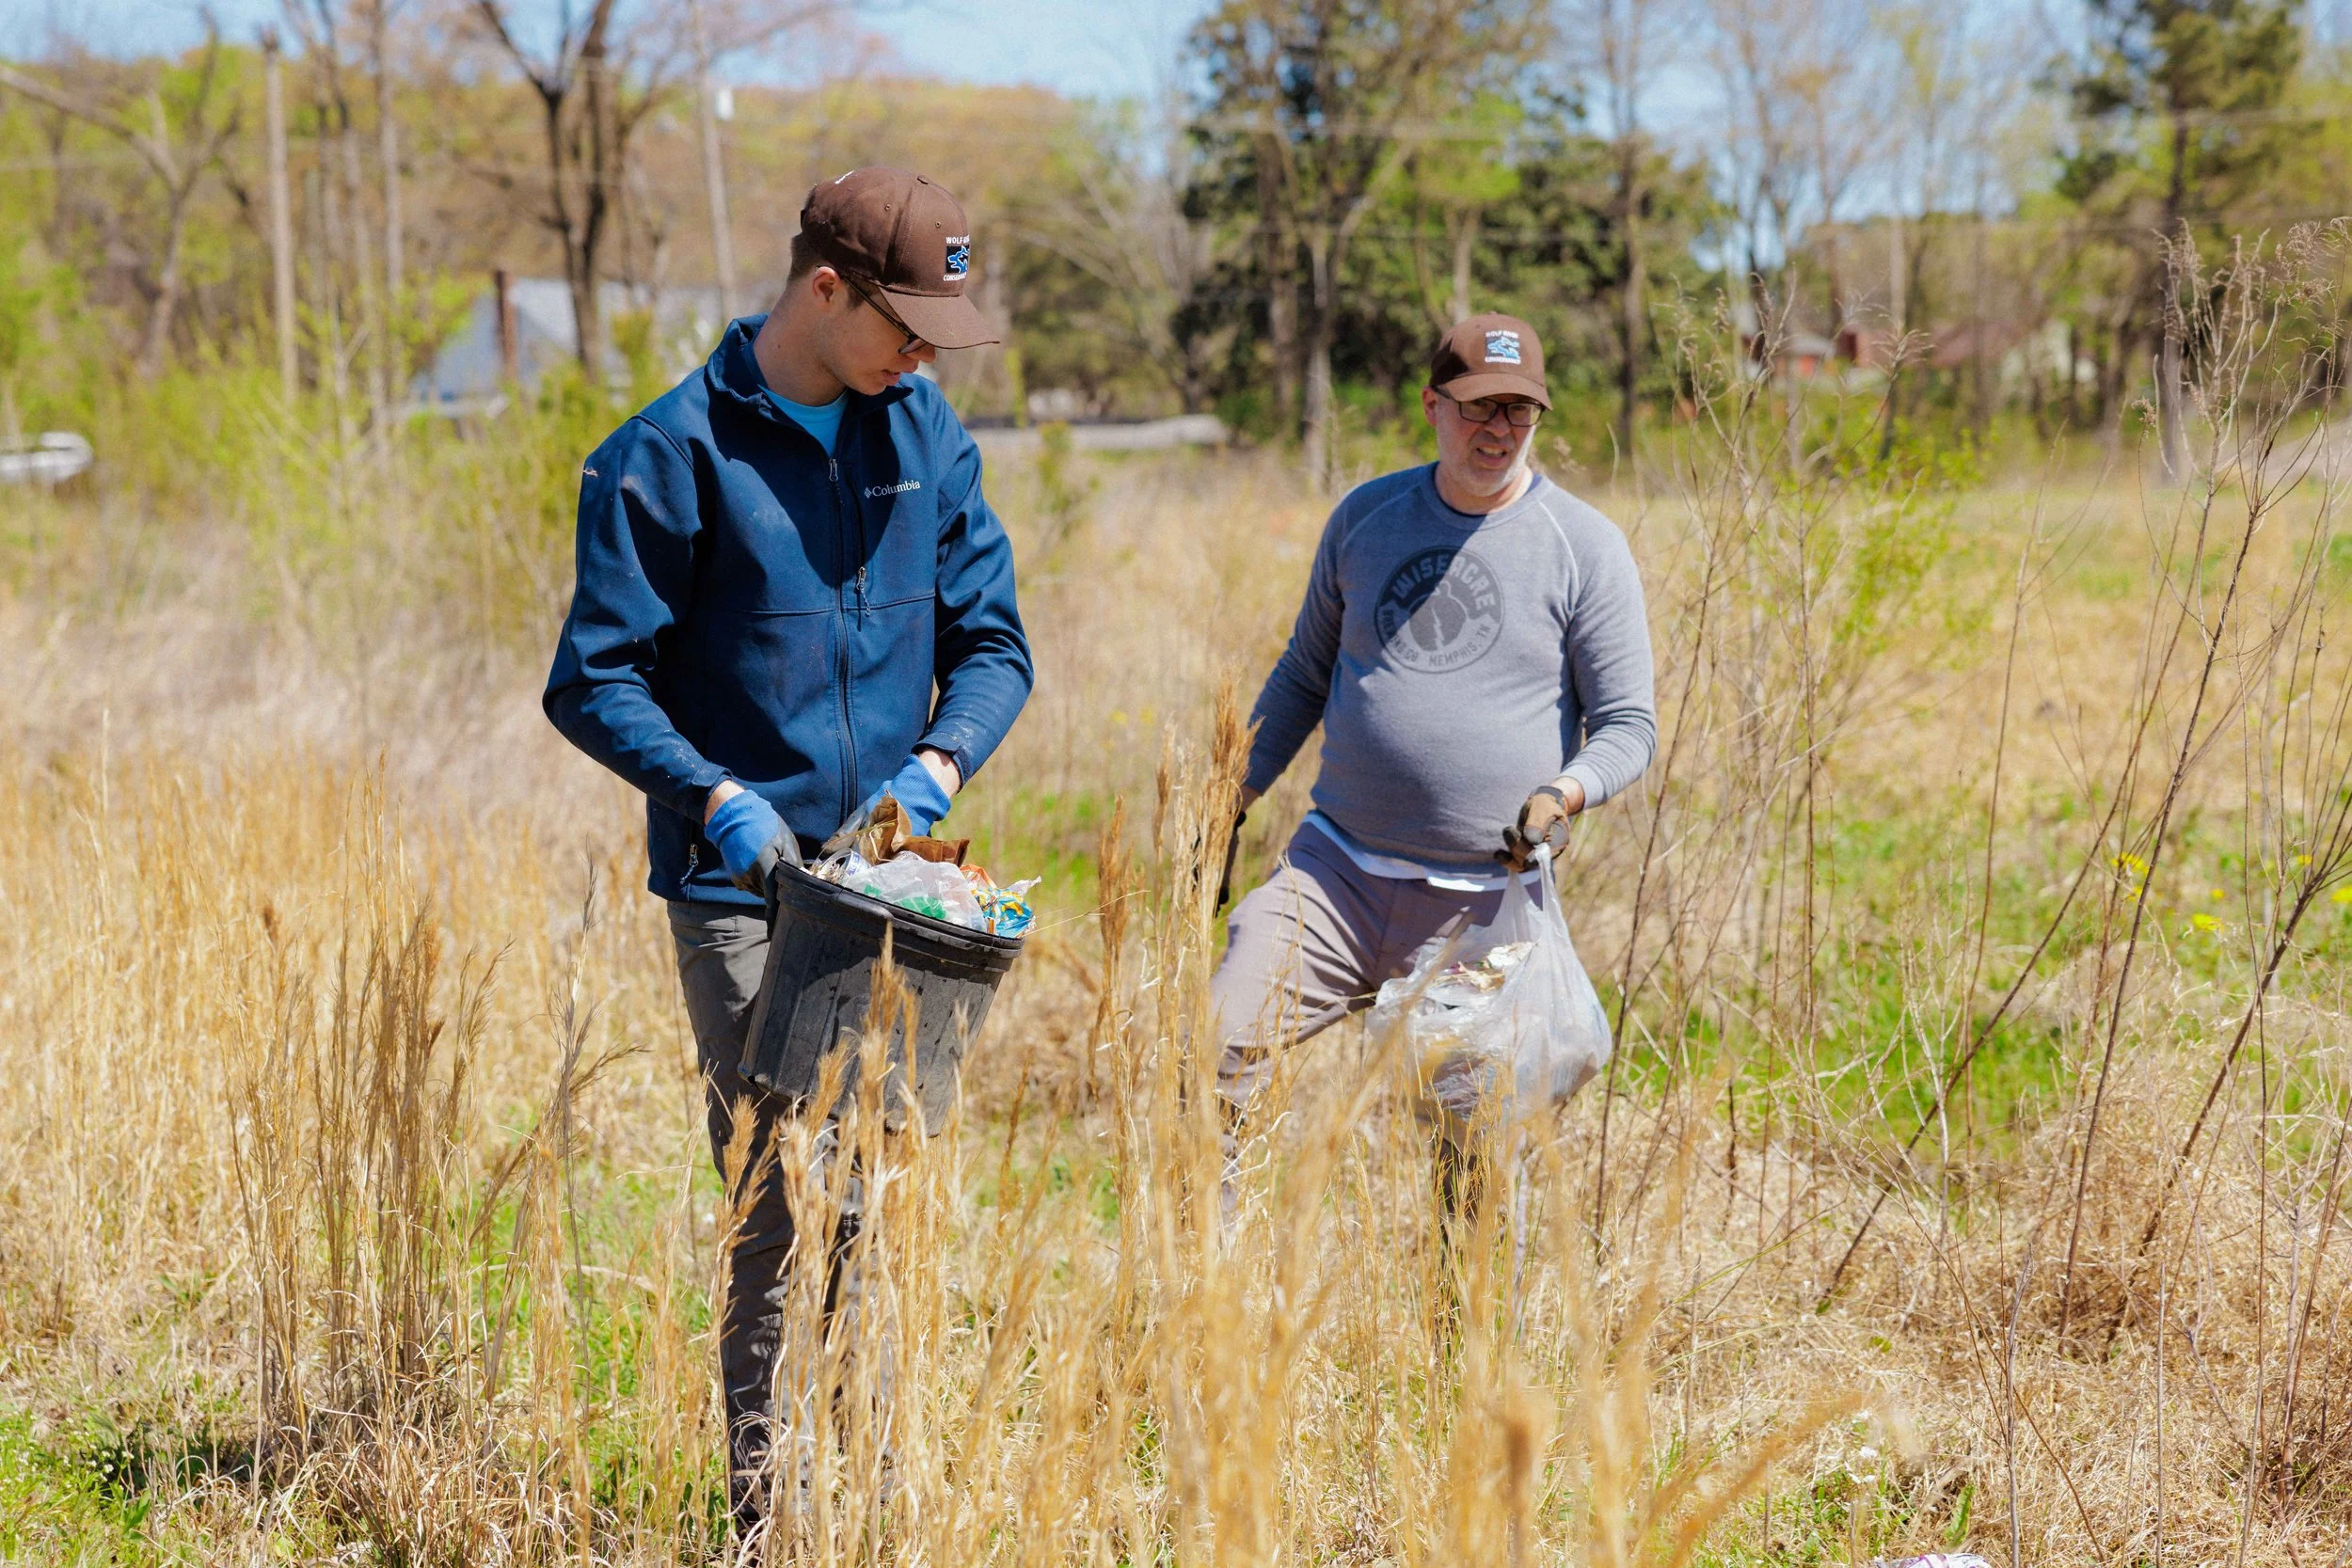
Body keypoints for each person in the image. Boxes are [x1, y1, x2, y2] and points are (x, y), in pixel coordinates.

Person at [543, 167, 1032, 1536]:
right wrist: (714, 797)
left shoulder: (923, 433)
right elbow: (592, 677)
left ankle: (871, 1498)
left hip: (889, 891)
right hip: (742, 892)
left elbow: (995, 642)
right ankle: (772, 1520)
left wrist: (937, 766)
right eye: (908, 323)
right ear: (826, 290)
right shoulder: (668, 454)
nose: (927, 353)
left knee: (873, 1193)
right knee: (778, 1197)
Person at [1213, 312, 1657, 1208]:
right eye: (1478, 408)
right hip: (1332, 876)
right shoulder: (1367, 517)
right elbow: (1305, 670)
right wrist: (1230, 792)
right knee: (1213, 1046)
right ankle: (1204, 1302)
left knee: (1479, 1148)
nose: (1498, 430)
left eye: (1519, 413)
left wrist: (1564, 790)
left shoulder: (1585, 545)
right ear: (1432, 405)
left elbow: (1628, 725)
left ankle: (1469, 1341)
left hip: (1481, 907)